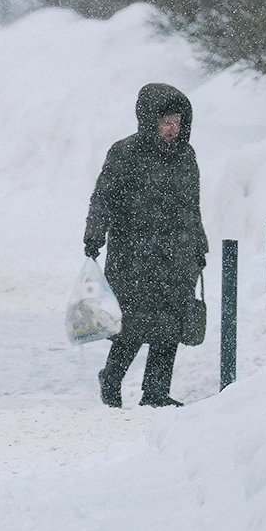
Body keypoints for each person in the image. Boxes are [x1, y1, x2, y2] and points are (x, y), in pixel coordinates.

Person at [84, 83, 208, 408]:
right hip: (133, 254)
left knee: (169, 326)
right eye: (166, 122)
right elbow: (103, 198)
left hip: (176, 254)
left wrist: (199, 246)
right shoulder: (125, 153)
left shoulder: (186, 156)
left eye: (177, 122)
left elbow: (191, 206)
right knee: (134, 325)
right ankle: (112, 377)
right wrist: (94, 234)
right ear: (149, 119)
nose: (172, 129)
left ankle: (155, 392)